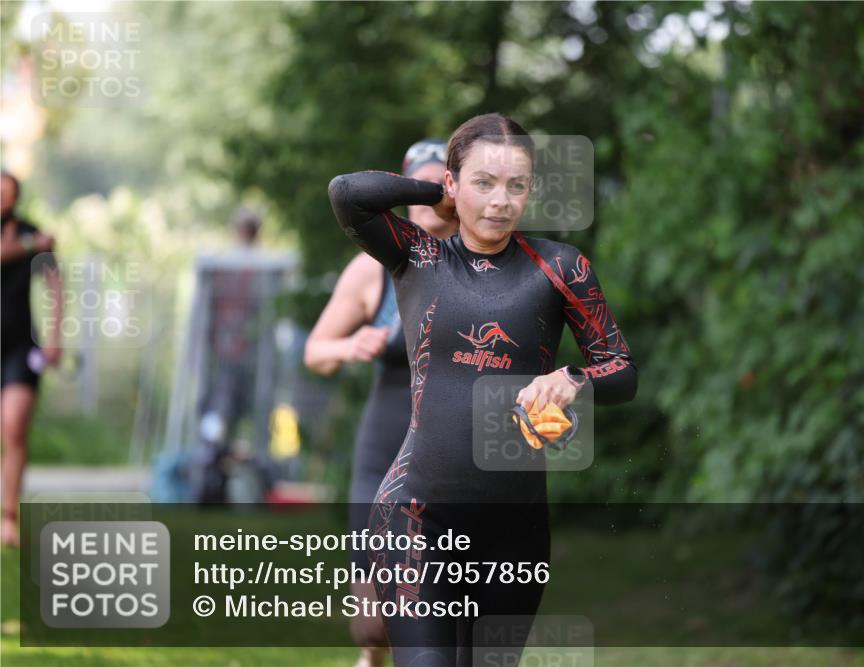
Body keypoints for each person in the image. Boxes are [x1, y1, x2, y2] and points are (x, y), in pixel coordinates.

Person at [328, 114, 637, 666]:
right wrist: (438, 189)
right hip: (418, 520)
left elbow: (621, 371)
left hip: (513, 533)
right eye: (483, 182)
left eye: (516, 185)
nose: (500, 200)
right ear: (453, 184)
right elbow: (348, 194)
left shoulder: (561, 268)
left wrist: (572, 379)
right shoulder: (419, 257)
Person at [305, 140, 457, 667]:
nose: (430, 200)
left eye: (441, 188)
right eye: (420, 187)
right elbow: (315, 352)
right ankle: (373, 658)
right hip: (383, 448)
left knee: (439, 610)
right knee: (372, 624)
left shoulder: (483, 265)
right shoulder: (370, 268)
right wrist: (351, 345)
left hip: (451, 456)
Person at [1, 171, 63, 547]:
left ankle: (8, 516)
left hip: (20, 346)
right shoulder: (32, 239)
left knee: (15, 427)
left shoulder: (30, 232)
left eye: (8, 193)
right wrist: (33, 244)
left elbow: (56, 284)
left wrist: (55, 336)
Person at [191, 206, 265, 503]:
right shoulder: (223, 266)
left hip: (249, 362)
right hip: (222, 359)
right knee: (216, 417)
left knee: (241, 421)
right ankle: (206, 476)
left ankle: (235, 483)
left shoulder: (261, 268)